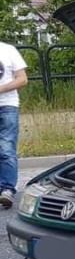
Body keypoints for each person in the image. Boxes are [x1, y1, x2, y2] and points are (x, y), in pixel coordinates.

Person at [0, 41, 29, 208]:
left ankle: (8, 189)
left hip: (7, 106)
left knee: (6, 148)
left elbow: (22, 79)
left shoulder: (8, 50)